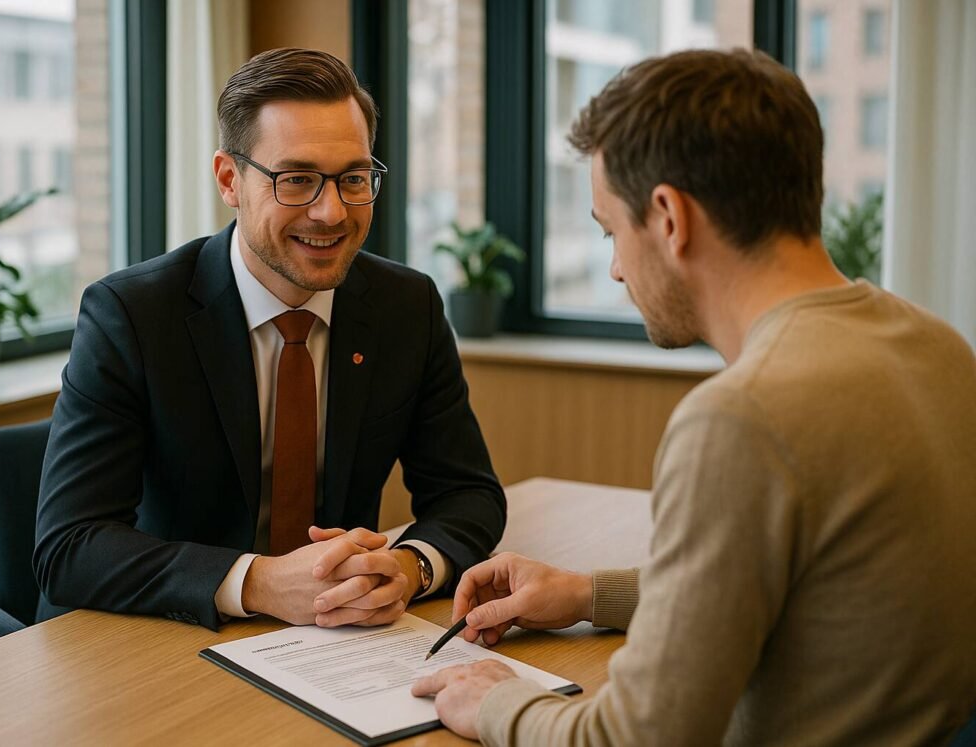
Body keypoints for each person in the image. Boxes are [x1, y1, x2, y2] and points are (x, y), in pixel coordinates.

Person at [412, 48, 976, 745]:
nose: (616, 269)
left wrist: (497, 700)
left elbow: (635, 739)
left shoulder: (743, 417)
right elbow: (814, 583)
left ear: (670, 218)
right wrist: (590, 594)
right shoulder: (938, 346)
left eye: (611, 231)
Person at [33, 48, 506, 631]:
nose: (331, 212)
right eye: (297, 180)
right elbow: (70, 545)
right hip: (164, 635)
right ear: (229, 180)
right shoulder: (131, 315)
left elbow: (469, 494)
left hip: (337, 639)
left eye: (353, 178)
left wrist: (410, 568)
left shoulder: (407, 306)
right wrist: (258, 582)